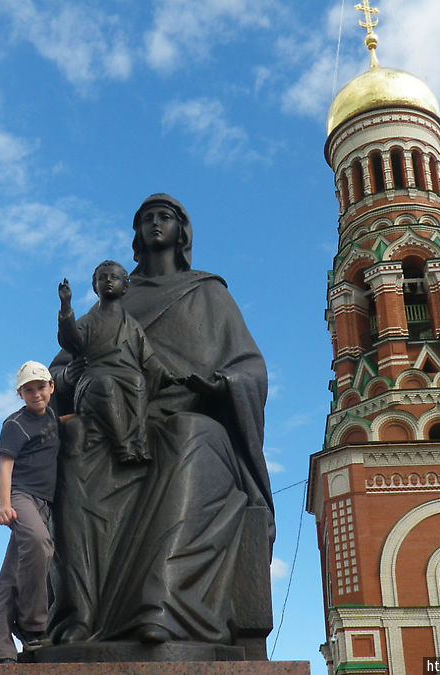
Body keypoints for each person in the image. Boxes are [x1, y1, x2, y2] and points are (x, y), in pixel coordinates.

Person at [47, 194, 274, 649]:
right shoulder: (111, 299)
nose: (155, 223)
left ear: (181, 230)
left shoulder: (209, 293)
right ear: (135, 235)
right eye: (146, 217)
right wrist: (81, 372)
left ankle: (162, 606)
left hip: (188, 414)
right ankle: (78, 616)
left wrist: (219, 385)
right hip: (112, 416)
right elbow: (59, 370)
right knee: (72, 441)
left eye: (164, 216)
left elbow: (251, 369)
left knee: (189, 436)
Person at [57, 260, 176, 464]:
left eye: (114, 277)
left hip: (128, 376)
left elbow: (148, 358)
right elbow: (71, 340)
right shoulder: (88, 321)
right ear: (95, 286)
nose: (108, 281)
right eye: (102, 278)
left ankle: (139, 444)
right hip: (93, 380)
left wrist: (169, 375)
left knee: (138, 382)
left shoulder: (131, 325)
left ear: (125, 285)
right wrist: (66, 307)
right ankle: (123, 447)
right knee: (106, 385)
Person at [0, 361, 59, 664]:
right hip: (19, 497)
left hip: (43, 502)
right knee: (40, 543)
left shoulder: (51, 417)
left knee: (12, 574)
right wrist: (4, 504)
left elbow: (60, 425)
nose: (36, 393)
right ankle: (34, 626)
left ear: (51, 387)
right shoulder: (15, 424)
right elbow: (5, 464)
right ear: (20, 394)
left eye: (41, 387)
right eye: (29, 389)